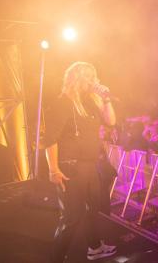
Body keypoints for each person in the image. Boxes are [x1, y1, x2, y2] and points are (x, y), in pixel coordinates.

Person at [41, 62, 116, 262]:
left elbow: (111, 121)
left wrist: (106, 99)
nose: (92, 82)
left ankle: (94, 248)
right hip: (71, 167)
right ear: (76, 79)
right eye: (88, 78)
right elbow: (50, 139)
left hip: (90, 165)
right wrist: (53, 169)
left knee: (93, 210)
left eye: (94, 77)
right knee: (71, 218)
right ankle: (56, 258)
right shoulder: (63, 103)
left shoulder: (91, 102)